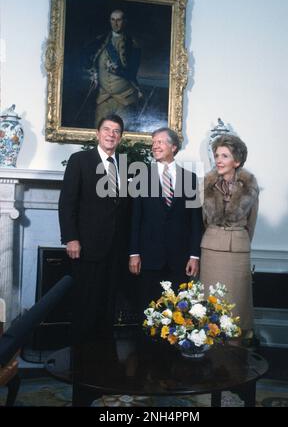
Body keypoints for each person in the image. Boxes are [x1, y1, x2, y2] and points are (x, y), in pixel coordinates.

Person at [58, 114, 130, 343]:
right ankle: (81, 367)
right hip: (86, 247)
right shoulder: (79, 160)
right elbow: (67, 202)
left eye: (116, 131)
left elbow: (128, 209)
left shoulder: (127, 165)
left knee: (108, 309)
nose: (111, 134)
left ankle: (103, 368)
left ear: (120, 137)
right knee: (85, 307)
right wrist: (71, 238)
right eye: (107, 129)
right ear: (97, 134)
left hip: (116, 250)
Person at [129, 127, 204, 318]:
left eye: (160, 142)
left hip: (179, 260)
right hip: (148, 258)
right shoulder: (140, 177)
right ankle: (145, 348)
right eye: (153, 142)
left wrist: (195, 255)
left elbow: (196, 220)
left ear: (174, 147)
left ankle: (171, 349)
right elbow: (135, 218)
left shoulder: (191, 178)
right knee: (147, 311)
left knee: (177, 313)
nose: (155, 146)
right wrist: (134, 253)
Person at [200, 134, 259, 344]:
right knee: (210, 307)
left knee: (236, 309)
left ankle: (235, 363)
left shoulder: (250, 185)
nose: (219, 160)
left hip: (238, 254)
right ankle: (209, 362)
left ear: (237, 160)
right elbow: (203, 221)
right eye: (217, 155)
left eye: (225, 155)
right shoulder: (206, 184)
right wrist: (218, 235)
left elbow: (251, 223)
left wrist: (238, 240)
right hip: (211, 251)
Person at [88, 9, 142, 129]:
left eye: (119, 20)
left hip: (125, 98)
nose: (115, 23)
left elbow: (132, 72)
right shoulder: (101, 40)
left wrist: (117, 70)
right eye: (113, 20)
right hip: (103, 97)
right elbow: (90, 62)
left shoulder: (132, 44)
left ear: (125, 21)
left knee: (123, 136)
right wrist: (94, 74)